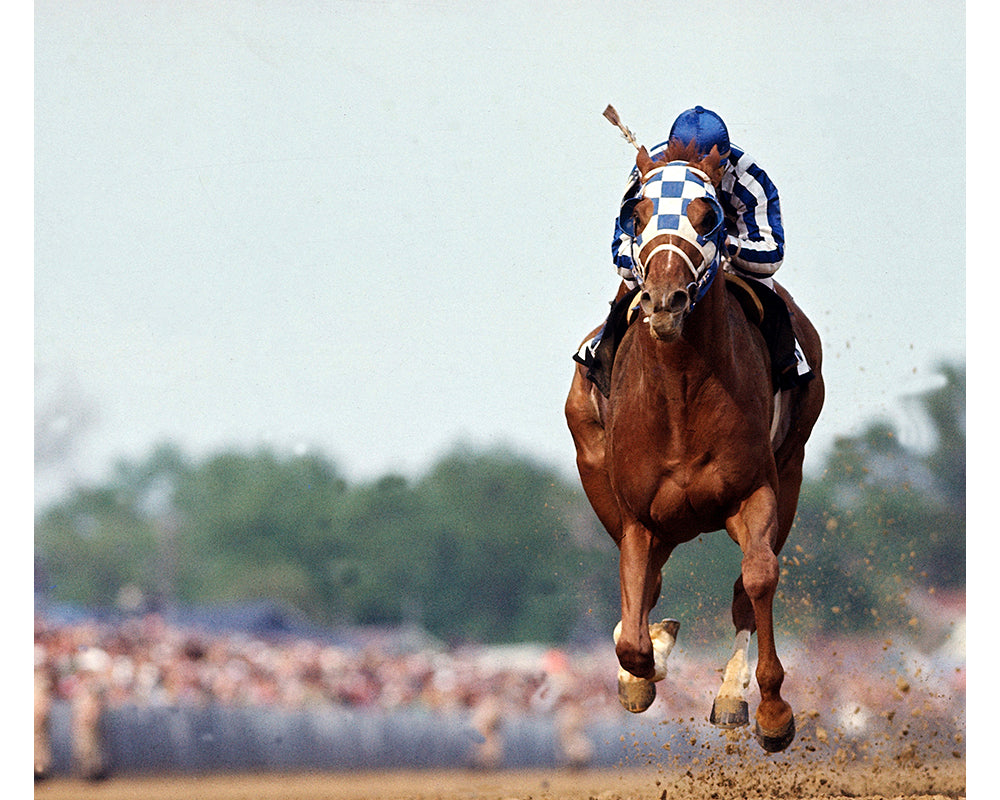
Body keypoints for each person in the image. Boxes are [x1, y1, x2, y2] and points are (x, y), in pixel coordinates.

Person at [576, 106, 812, 392]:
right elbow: (622, 252)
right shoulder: (649, 174)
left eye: (715, 171)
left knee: (766, 288)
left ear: (724, 164)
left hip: (733, 253)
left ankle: (789, 358)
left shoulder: (750, 180)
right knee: (630, 281)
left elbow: (772, 253)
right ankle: (604, 344)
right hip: (668, 252)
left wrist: (724, 245)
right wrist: (654, 261)